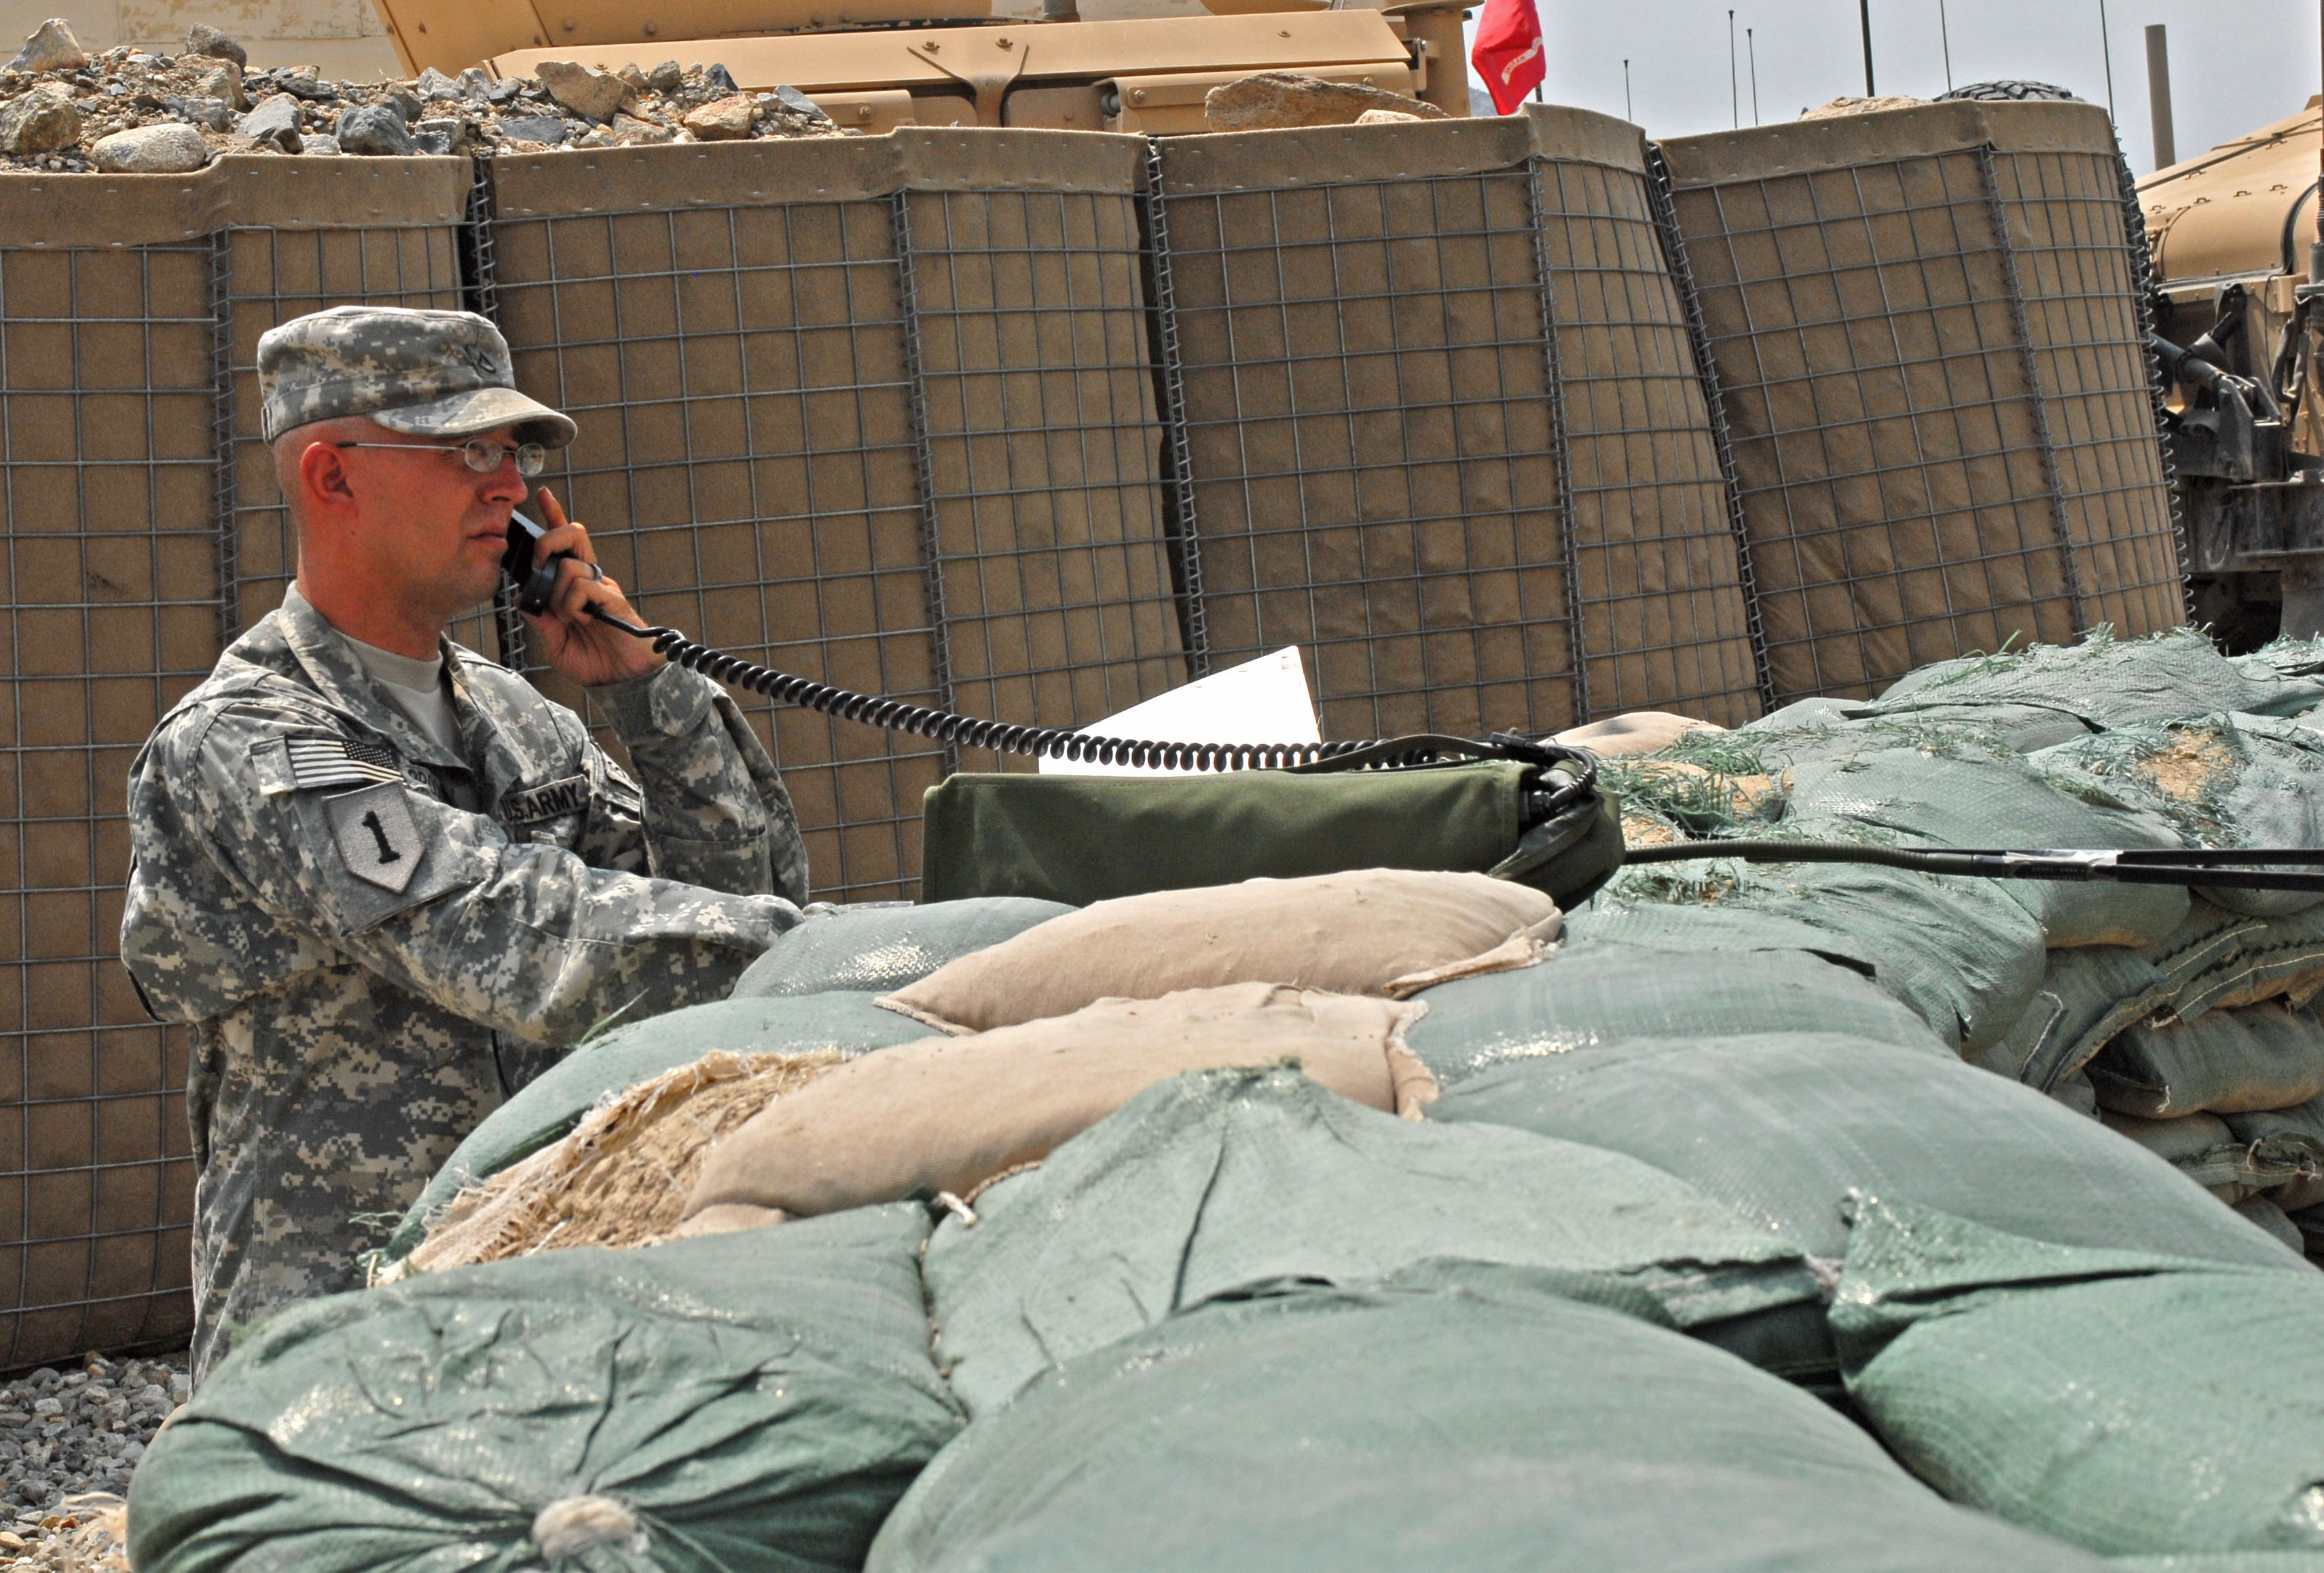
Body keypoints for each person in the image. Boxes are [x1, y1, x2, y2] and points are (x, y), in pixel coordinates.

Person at [119, 306, 810, 1381]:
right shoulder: (248, 742)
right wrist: (833, 956)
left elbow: (728, 899)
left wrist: (652, 697)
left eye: (513, 454)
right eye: (463, 453)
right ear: (332, 477)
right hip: (341, 1344)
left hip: (543, 1305)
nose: (512, 488)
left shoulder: (517, 720)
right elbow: (517, 937)